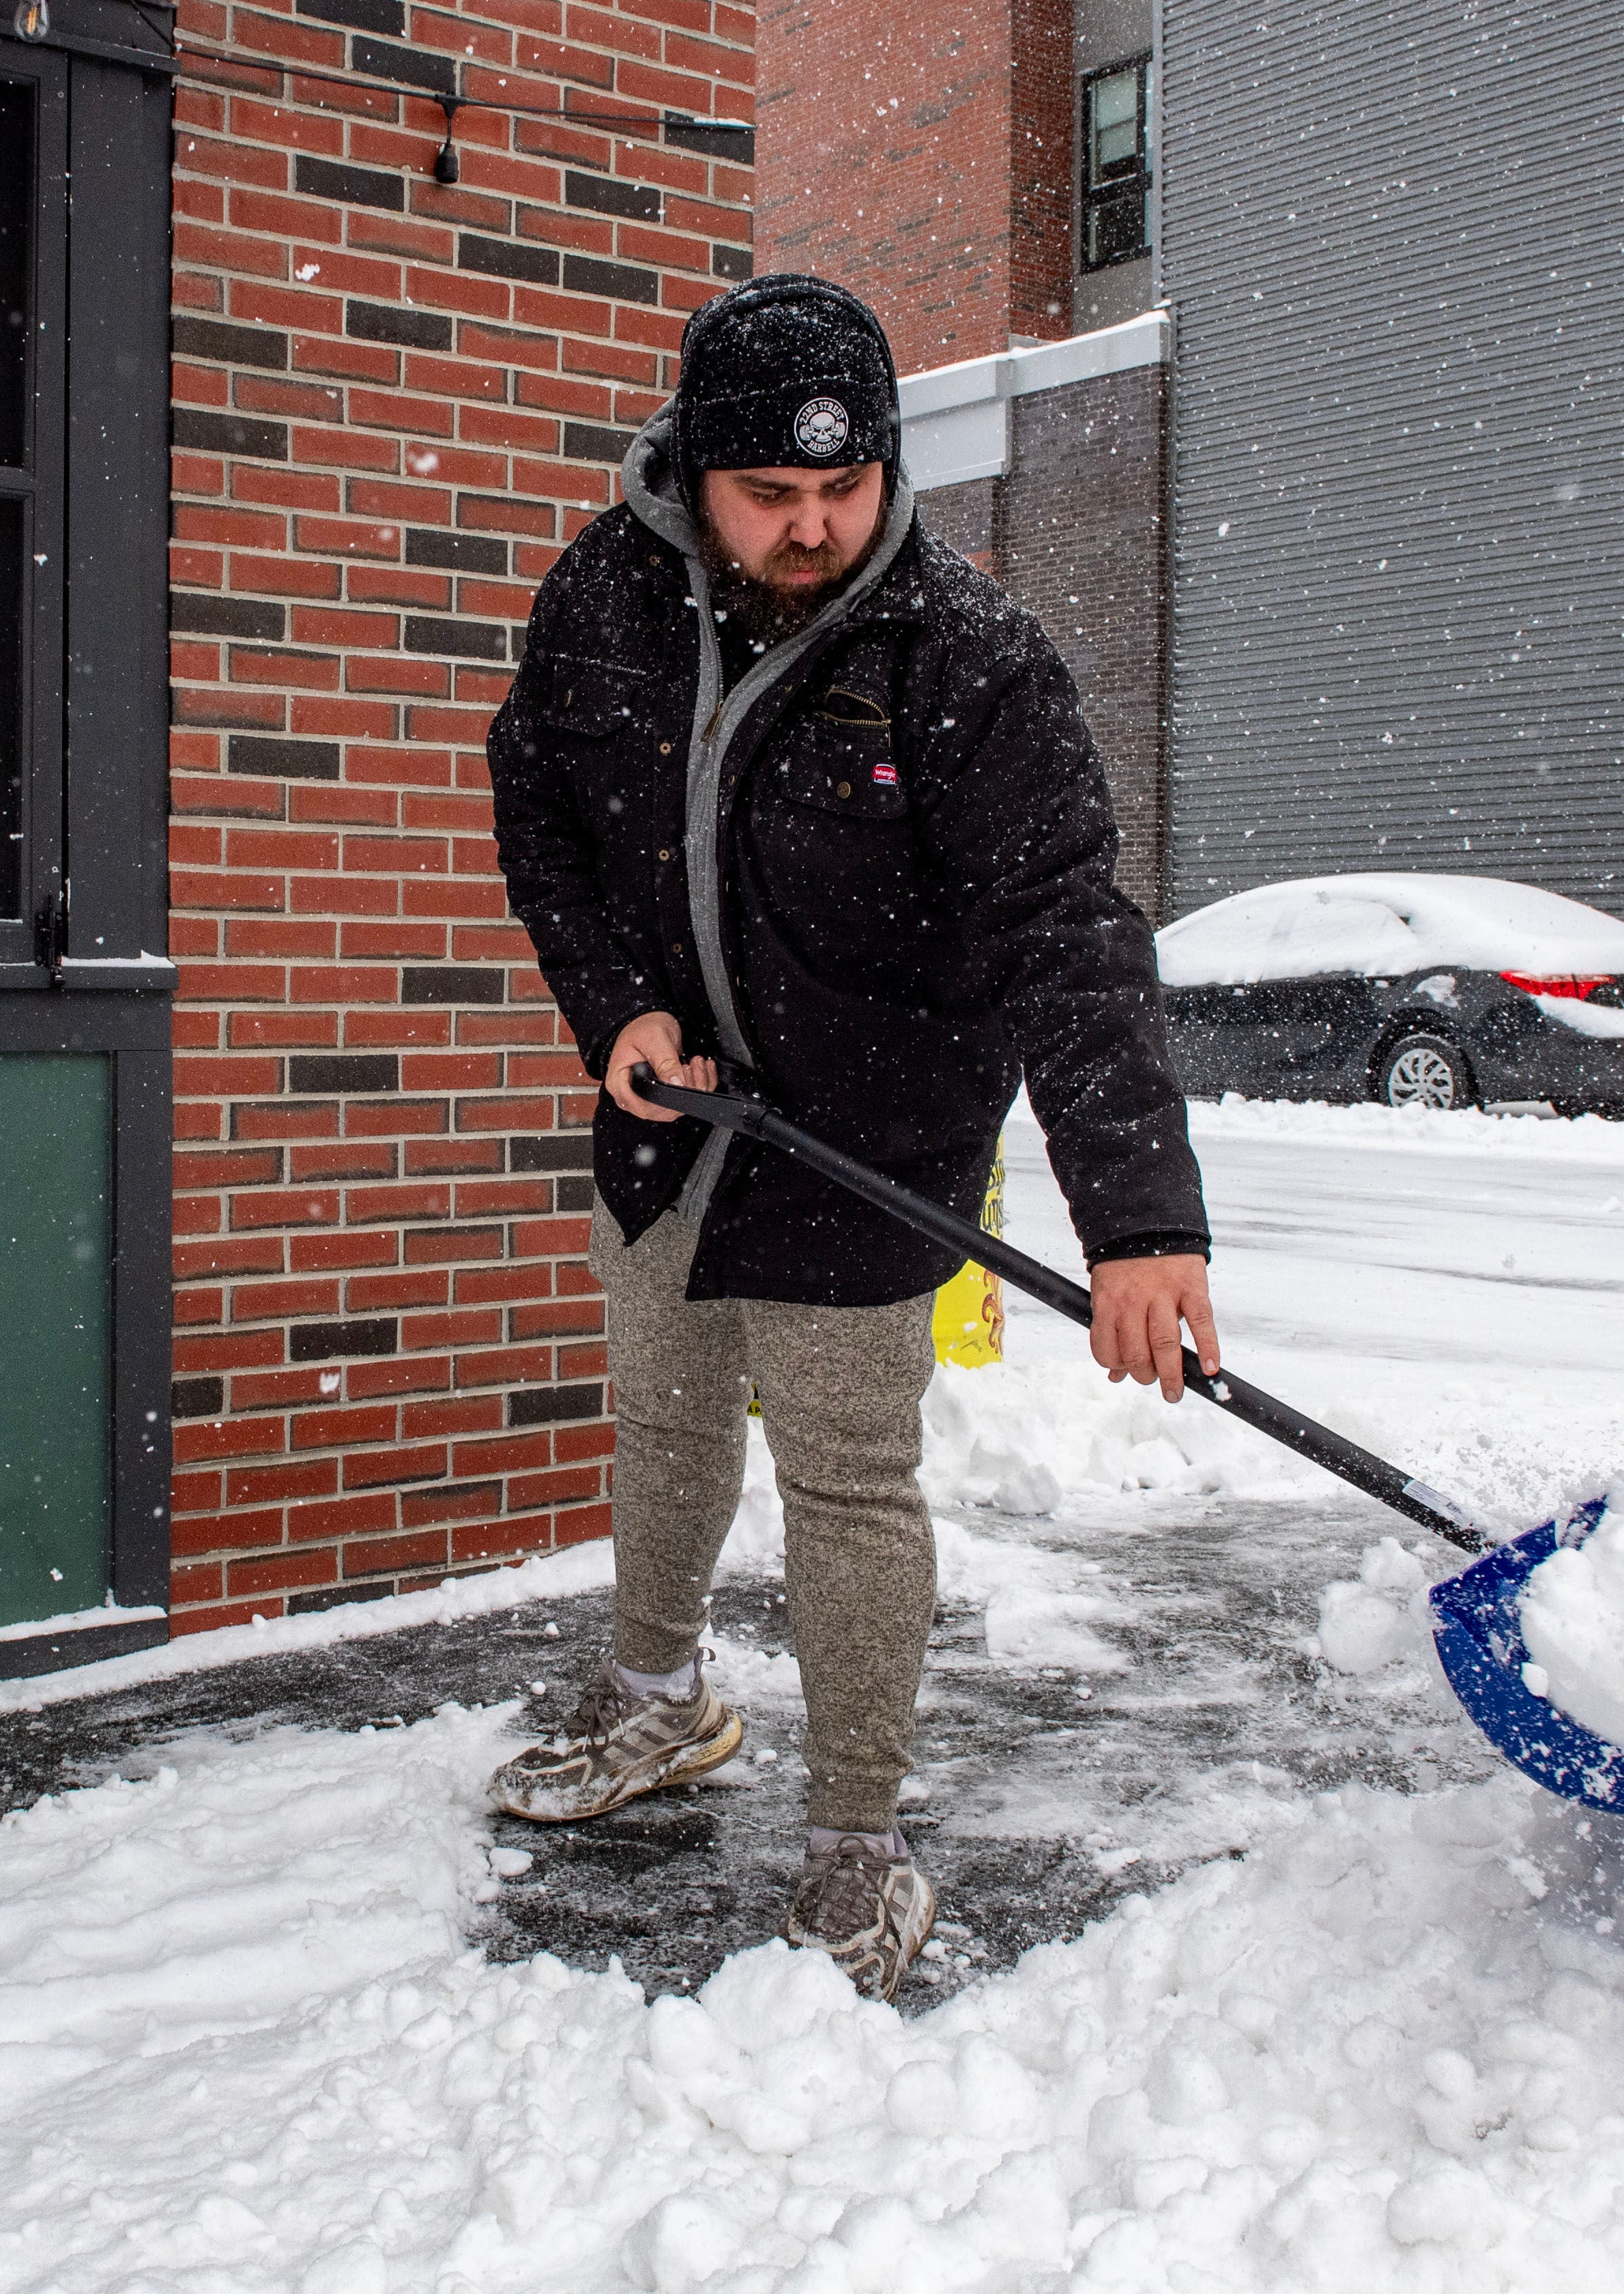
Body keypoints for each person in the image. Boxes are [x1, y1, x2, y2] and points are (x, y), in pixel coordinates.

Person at [480, 272, 1221, 1999]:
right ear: (693, 473)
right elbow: (542, 814)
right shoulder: (603, 596)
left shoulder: (964, 656)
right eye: (772, 497)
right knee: (661, 1421)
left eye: (848, 487)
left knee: (844, 1477)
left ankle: (855, 1837)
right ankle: (657, 1701)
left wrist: (1138, 1218)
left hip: (873, 1133)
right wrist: (617, 1015)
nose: (816, 529)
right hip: (674, 1123)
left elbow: (1070, 925)